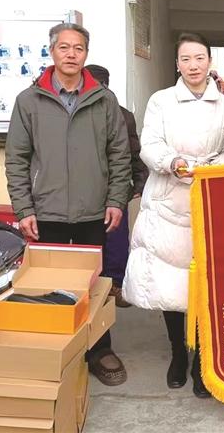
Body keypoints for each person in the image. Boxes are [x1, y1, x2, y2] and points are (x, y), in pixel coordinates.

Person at [5, 23, 132, 387]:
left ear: (86, 55)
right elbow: (16, 158)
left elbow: (119, 155)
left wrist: (116, 200)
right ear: (52, 52)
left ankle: (99, 349)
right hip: (46, 210)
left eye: (78, 48)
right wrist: (24, 208)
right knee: (50, 284)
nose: (71, 54)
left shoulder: (104, 100)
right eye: (64, 47)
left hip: (95, 210)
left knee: (96, 282)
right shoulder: (29, 101)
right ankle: (57, 350)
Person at [122, 32, 224, 399]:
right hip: (168, 197)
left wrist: (211, 169)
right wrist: (172, 162)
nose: (193, 65)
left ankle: (203, 356)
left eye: (199, 58)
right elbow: (149, 144)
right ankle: (177, 352)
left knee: (206, 282)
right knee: (169, 282)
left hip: (210, 199)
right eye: (186, 59)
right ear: (177, 64)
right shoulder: (161, 101)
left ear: (209, 61)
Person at [85, 64, 148, 307]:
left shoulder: (123, 115)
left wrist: (139, 180)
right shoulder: (77, 112)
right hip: (86, 189)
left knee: (116, 240)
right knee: (91, 241)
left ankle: (115, 284)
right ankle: (94, 284)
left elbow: (134, 151)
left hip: (116, 187)